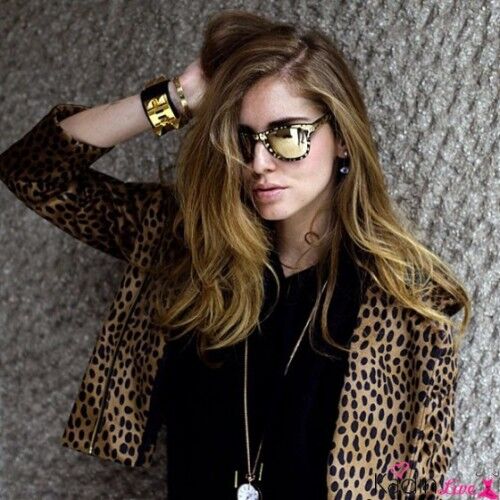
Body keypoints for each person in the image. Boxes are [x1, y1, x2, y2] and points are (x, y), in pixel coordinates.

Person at [0, 9, 471, 500]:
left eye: (287, 136)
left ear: (343, 140)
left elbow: (415, 485)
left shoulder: (408, 306)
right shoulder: (189, 248)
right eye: (245, 139)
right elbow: (33, 172)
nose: (260, 163)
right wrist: (177, 98)